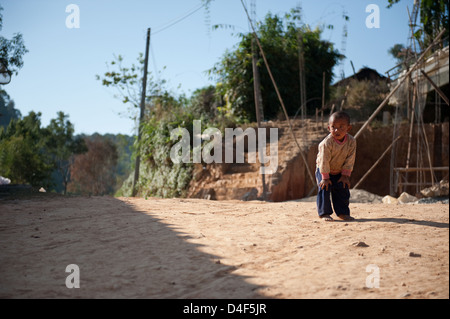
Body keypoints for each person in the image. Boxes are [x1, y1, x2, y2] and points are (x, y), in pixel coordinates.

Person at [316, 111, 356, 221]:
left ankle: (343, 213)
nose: (337, 130)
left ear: (348, 128)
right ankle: (324, 213)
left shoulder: (351, 142)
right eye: (334, 127)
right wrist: (325, 177)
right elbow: (324, 160)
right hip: (324, 169)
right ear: (329, 128)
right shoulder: (327, 143)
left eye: (341, 127)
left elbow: (350, 159)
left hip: (339, 170)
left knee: (342, 189)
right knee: (324, 188)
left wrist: (345, 175)